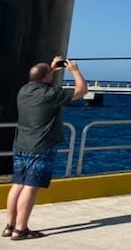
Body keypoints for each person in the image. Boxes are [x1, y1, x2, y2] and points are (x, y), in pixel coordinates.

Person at [4, 56, 87, 241]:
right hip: (41, 145)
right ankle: (21, 229)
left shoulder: (24, 90)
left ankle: (9, 226)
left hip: (21, 143)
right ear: (47, 77)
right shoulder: (51, 95)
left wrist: (50, 68)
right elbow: (82, 90)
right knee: (30, 188)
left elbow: (40, 79)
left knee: (18, 184)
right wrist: (74, 70)